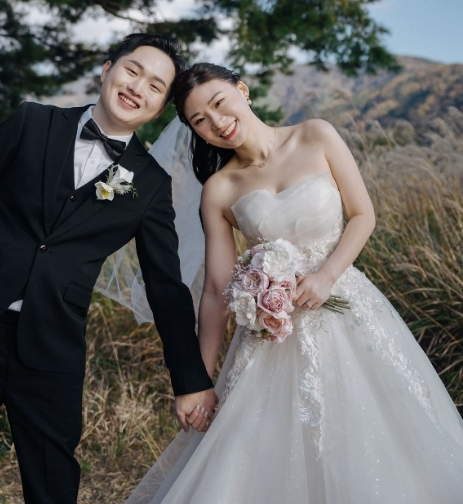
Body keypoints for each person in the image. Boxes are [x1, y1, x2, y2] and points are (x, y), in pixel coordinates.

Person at [126, 62, 463, 503]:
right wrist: (199, 381)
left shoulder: (315, 134)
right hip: (271, 337)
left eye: (218, 103)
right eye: (199, 121)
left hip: (348, 308)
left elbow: (364, 215)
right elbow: (215, 290)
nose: (216, 123)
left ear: (242, 90)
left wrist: (325, 276)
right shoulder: (220, 190)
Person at [0, 34, 217, 504]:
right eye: (132, 71)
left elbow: (165, 286)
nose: (138, 87)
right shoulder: (31, 122)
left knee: (53, 482)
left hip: (52, 342)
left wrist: (191, 380)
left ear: (160, 107)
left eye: (156, 86)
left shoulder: (151, 185)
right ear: (106, 69)